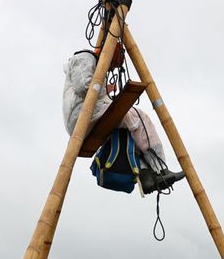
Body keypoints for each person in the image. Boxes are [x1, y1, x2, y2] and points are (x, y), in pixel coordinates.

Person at [61, 40, 186, 195]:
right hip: (84, 114)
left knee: (132, 133)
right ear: (112, 49)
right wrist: (105, 89)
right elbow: (83, 86)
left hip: (87, 116)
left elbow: (90, 88)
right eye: (119, 58)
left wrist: (104, 89)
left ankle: (146, 175)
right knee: (140, 118)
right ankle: (160, 169)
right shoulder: (86, 57)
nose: (116, 66)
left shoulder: (93, 64)